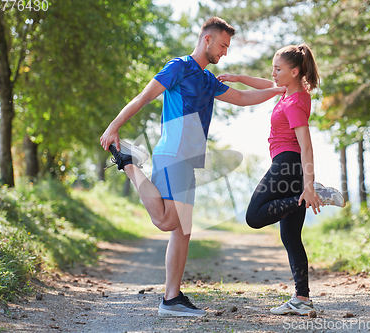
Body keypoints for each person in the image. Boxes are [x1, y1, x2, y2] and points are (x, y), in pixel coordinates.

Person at [99, 17, 285, 317]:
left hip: (189, 158)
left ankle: (171, 299)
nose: (225, 52)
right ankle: (129, 164)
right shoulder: (179, 67)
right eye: (223, 45)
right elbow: (143, 98)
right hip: (173, 153)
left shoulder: (207, 79)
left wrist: (279, 91)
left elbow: (242, 98)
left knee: (182, 230)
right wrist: (114, 127)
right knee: (166, 222)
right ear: (207, 40)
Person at [217, 43, 345, 316]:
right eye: (273, 68)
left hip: (287, 164)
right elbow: (266, 83)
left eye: (278, 69)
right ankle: (302, 299)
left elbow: (306, 145)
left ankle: (313, 195)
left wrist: (309, 184)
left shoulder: (295, 102)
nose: (273, 73)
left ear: (295, 71)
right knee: (290, 236)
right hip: (292, 167)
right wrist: (239, 78)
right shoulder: (290, 91)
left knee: (254, 216)